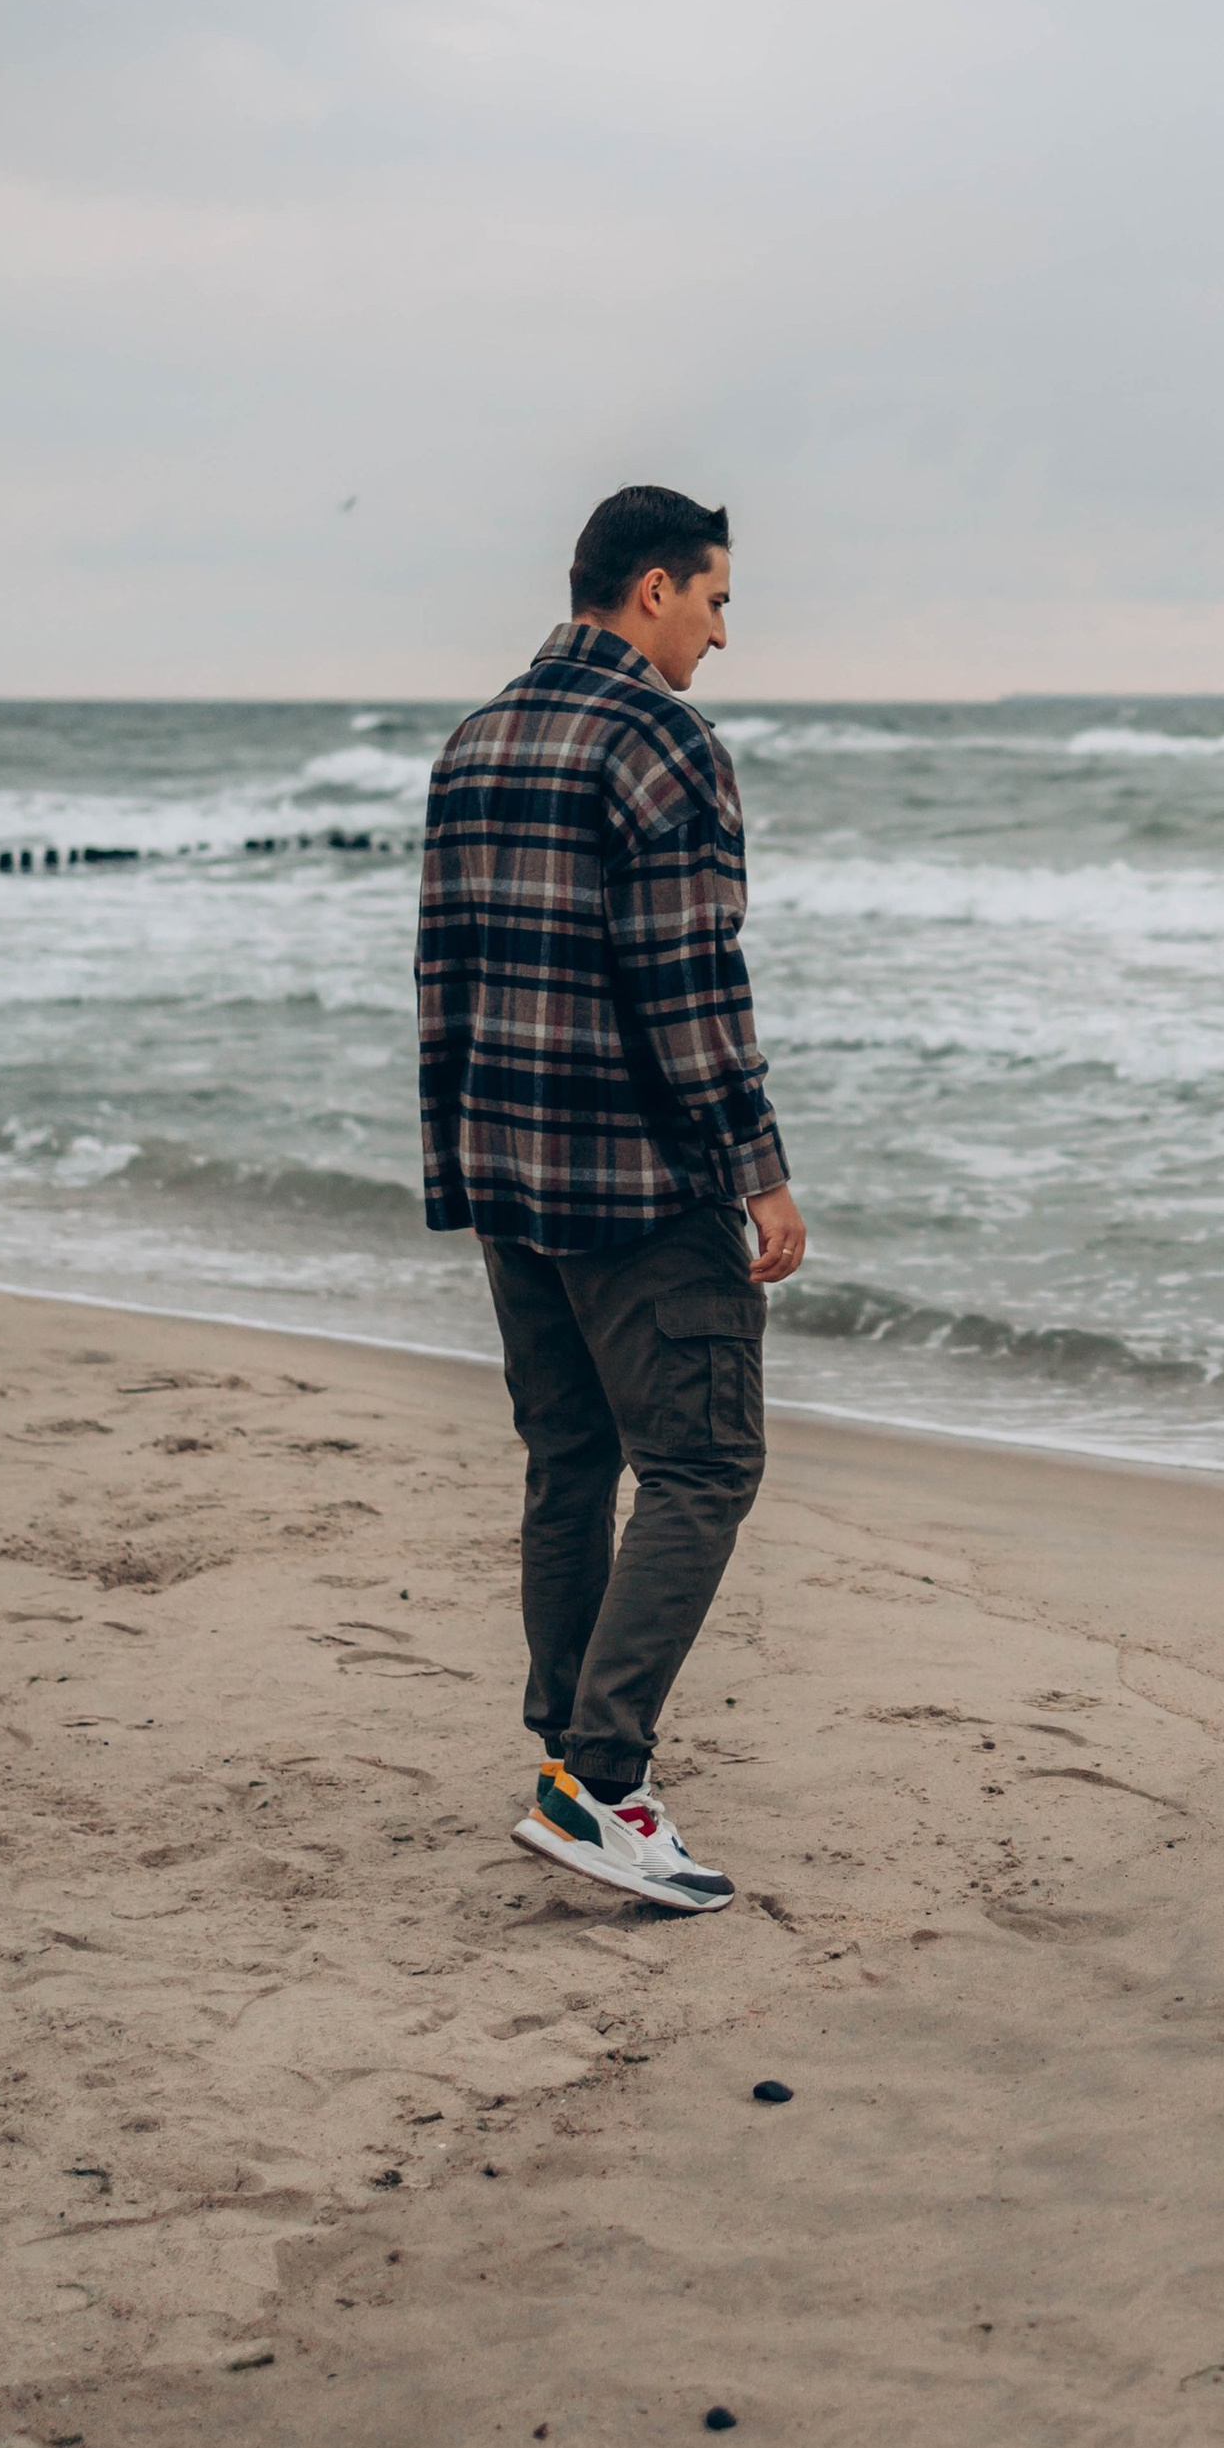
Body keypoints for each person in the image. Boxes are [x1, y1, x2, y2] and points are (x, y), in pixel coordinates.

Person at [417, 485, 805, 1914]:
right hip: (641, 1185)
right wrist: (756, 1171)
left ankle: (565, 1765)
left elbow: (444, 982)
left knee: (571, 1459)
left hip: (511, 1173)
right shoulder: (660, 741)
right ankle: (599, 1776)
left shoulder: (479, 740)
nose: (720, 632)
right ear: (651, 589)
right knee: (705, 1467)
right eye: (713, 600)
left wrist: (462, 1164)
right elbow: (693, 984)